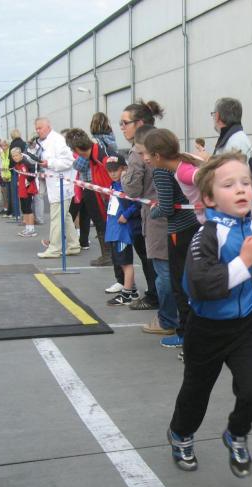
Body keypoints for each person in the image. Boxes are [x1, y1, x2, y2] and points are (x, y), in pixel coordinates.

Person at [166, 152, 252, 478]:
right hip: (207, 329)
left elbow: (238, 266)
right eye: (229, 185)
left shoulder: (249, 224)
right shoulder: (206, 234)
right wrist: (244, 263)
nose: (241, 189)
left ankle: (236, 433)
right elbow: (200, 284)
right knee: (196, 392)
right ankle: (181, 433)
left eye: (246, 182)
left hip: (245, 325)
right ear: (209, 199)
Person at [142, 128, 201, 344]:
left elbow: (167, 207)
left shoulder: (162, 171)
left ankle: (186, 335)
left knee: (180, 285)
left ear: (157, 155)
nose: (145, 159)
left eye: (146, 153)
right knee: (189, 282)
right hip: (194, 226)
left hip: (180, 231)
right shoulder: (183, 163)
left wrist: (152, 210)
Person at [117, 100, 163, 310]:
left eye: (125, 123)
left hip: (151, 214)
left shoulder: (138, 151)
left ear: (140, 123)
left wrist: (124, 176)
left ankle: (156, 298)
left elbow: (132, 190)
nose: (122, 127)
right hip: (161, 211)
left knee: (152, 259)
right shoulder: (163, 141)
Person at [212, 97, 252, 233]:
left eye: (213, 115)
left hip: (238, 218)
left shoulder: (236, 140)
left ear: (217, 116)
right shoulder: (232, 138)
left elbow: (234, 177)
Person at [65, 128, 113, 265]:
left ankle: (108, 255)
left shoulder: (96, 153)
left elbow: (78, 165)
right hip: (97, 188)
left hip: (96, 189)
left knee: (100, 221)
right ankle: (108, 254)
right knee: (98, 221)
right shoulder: (100, 148)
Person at [34, 117, 80, 259]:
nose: (38, 131)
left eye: (40, 128)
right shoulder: (45, 142)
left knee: (57, 218)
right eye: (36, 129)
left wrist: (49, 163)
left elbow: (69, 161)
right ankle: (73, 245)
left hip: (61, 186)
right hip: (55, 185)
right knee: (65, 217)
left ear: (48, 127)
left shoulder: (58, 140)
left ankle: (54, 248)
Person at [103, 155, 138, 306]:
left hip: (122, 231)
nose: (112, 173)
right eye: (110, 171)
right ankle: (132, 290)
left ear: (124, 169)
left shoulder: (126, 186)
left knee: (126, 263)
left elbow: (137, 203)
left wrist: (126, 215)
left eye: (115, 170)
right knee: (120, 262)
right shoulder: (114, 185)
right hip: (113, 229)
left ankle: (127, 294)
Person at [10, 147, 38, 238]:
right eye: (13, 156)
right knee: (24, 209)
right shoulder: (18, 163)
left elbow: (33, 172)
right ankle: (27, 228)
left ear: (20, 154)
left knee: (28, 208)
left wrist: (28, 181)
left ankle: (32, 229)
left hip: (28, 189)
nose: (15, 157)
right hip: (22, 188)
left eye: (16, 155)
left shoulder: (26, 162)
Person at [0, 139, 14, 217]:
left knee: (12, 196)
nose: (3, 147)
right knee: (7, 196)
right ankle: (9, 211)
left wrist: (9, 175)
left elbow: (11, 166)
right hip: (5, 177)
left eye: (4, 145)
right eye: (2, 146)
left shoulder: (10, 153)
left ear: (8, 145)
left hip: (11, 176)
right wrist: (3, 176)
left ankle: (13, 212)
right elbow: (1, 166)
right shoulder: (1, 154)